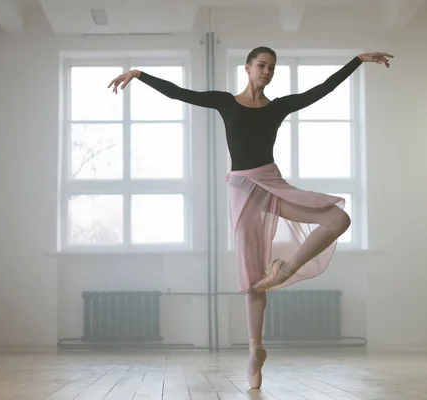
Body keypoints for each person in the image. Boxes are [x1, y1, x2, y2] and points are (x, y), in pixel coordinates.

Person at [107, 47, 392, 390]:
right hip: (242, 187)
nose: (266, 71)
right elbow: (181, 93)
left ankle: (285, 269)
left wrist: (357, 61)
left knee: (338, 220)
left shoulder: (278, 106)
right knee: (252, 278)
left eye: (271, 67)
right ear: (247, 68)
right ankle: (255, 350)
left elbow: (323, 89)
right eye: (261, 65)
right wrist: (139, 75)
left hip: (271, 182)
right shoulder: (226, 102)